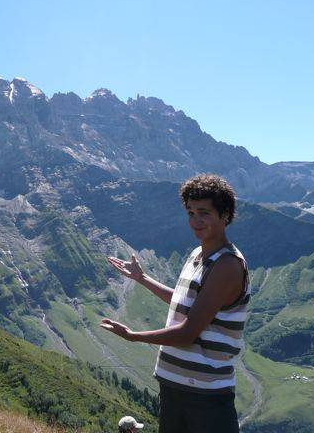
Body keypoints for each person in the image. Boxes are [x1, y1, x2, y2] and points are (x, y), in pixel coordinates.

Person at [100, 174, 249, 433]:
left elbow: (188, 331)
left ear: (225, 215)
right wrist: (142, 278)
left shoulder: (227, 264)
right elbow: (185, 302)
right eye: (191, 212)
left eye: (204, 213)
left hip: (205, 395)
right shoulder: (198, 255)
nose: (195, 221)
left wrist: (133, 336)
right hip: (175, 386)